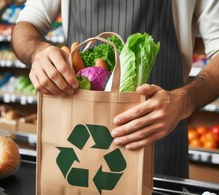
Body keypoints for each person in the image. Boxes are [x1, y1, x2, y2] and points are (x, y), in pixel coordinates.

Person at [12, 0, 219, 178]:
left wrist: (184, 101)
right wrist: (38, 51)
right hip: (79, 135)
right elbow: (26, 25)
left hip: (159, 139)